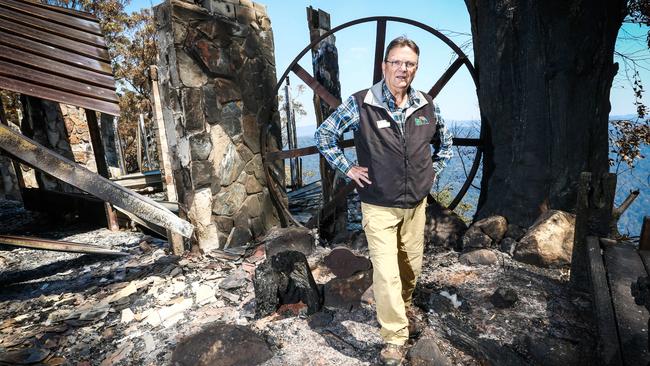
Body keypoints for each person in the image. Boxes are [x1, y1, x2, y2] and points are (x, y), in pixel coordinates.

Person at [315, 36, 453, 365]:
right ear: (384, 66)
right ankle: (394, 336)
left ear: (415, 69)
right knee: (387, 272)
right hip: (378, 204)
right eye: (397, 62)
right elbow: (324, 135)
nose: (402, 69)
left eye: (409, 64)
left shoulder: (427, 105)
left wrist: (433, 173)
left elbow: (444, 142)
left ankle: (401, 304)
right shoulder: (361, 102)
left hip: (416, 205)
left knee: (410, 267)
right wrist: (347, 167)